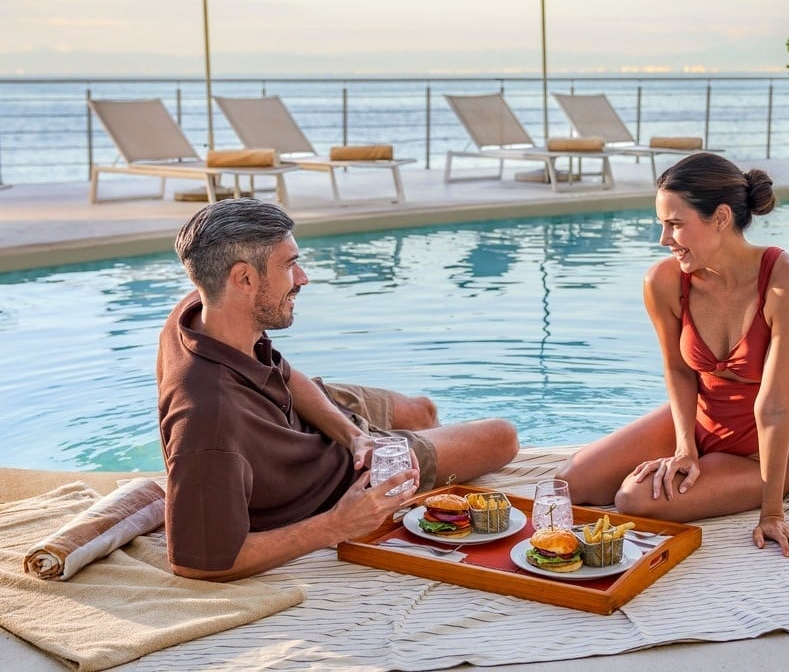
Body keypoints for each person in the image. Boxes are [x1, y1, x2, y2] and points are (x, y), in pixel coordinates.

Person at [157, 198, 519, 581]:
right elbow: (194, 562)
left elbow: (281, 370)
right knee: (502, 437)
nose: (303, 278)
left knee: (423, 410)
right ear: (244, 278)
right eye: (289, 265)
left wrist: (356, 436)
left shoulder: (202, 308)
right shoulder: (209, 420)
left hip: (297, 412)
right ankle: (421, 467)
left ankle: (398, 445)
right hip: (318, 477)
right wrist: (336, 524)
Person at [556, 153, 789, 558]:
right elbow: (678, 369)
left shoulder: (786, 284)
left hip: (756, 451)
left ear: (721, 217)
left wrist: (772, 513)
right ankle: (691, 456)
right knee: (570, 484)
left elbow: (776, 405)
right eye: (662, 224)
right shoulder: (663, 282)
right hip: (696, 419)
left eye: (675, 225)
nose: (664, 239)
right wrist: (684, 448)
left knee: (633, 498)